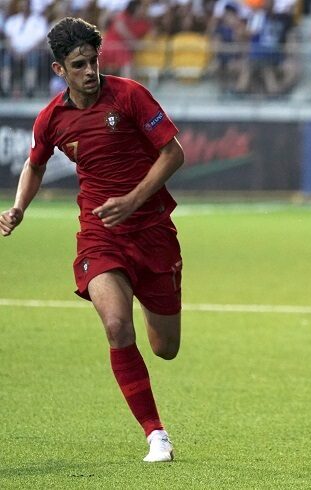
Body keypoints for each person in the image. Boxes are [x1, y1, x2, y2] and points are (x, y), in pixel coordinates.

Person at [0, 17, 184, 463]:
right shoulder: (51, 119)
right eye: (79, 64)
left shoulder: (130, 95)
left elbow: (173, 152)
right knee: (117, 326)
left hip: (154, 232)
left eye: (94, 60)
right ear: (59, 69)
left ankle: (146, 291)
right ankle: (156, 433)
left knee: (166, 349)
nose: (90, 71)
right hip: (101, 236)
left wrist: (136, 199)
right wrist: (19, 207)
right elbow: (35, 164)